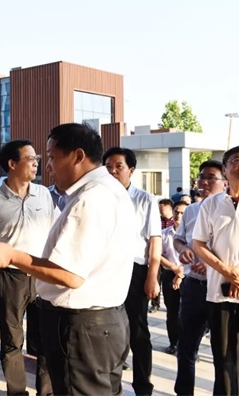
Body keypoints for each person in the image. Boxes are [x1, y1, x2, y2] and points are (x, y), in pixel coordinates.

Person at [0, 123, 134, 395]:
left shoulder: (90, 199)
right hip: (104, 321)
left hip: (82, 326)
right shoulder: (110, 190)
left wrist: (11, 254)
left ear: (78, 156)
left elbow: (70, 274)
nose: (47, 166)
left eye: (51, 157)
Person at [0, 139, 56, 396]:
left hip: (42, 274)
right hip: (10, 278)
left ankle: (46, 392)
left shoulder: (44, 195)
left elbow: (55, 233)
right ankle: (17, 392)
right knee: (12, 341)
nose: (36, 164)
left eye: (36, 159)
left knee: (46, 340)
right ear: (12, 164)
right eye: (30, 159)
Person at [192, 145, 239, 396]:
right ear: (225, 168)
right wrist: (226, 271)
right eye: (238, 160)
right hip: (220, 292)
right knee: (224, 359)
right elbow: (199, 243)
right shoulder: (211, 204)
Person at [103, 146, 161, 396]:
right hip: (107, 269)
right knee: (109, 329)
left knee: (138, 331)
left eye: (119, 166)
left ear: (131, 170)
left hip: (136, 270)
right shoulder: (100, 197)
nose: (113, 171)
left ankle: (143, 387)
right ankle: (111, 385)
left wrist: (152, 276)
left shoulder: (145, 199)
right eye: (108, 167)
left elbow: (154, 239)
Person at [172, 160, 228, 395]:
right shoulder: (191, 210)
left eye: (211, 177)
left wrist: (211, 264)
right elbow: (178, 238)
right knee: (186, 347)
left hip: (221, 288)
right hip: (194, 286)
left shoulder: (230, 210)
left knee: (222, 352)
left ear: (224, 181)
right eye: (201, 177)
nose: (204, 182)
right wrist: (182, 249)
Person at [159, 200, 188, 354]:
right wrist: (174, 269)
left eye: (183, 213)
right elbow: (158, 254)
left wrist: (180, 274)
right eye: (177, 212)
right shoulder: (164, 233)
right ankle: (173, 342)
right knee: (172, 311)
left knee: (188, 312)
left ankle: (188, 345)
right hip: (169, 273)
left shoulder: (193, 234)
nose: (179, 215)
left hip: (188, 275)